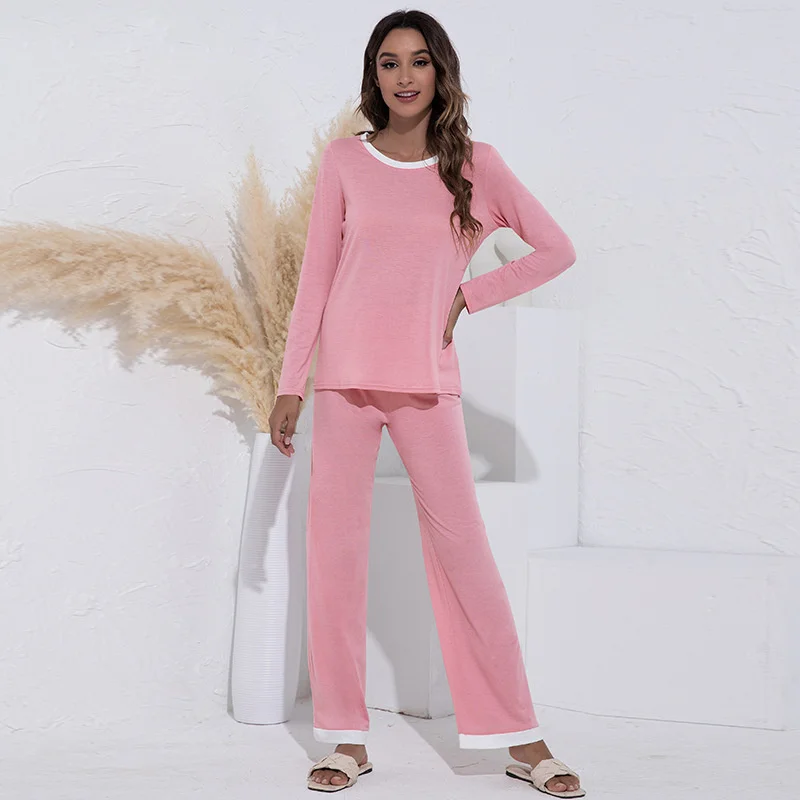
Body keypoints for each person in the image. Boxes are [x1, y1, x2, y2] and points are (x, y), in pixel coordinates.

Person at [268, 9, 584, 797]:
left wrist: (472, 295)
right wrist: (290, 382)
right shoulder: (345, 159)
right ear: (373, 75)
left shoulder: (476, 165)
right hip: (344, 382)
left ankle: (522, 738)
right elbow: (316, 276)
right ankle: (346, 738)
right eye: (388, 62)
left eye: (417, 61)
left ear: (440, 71)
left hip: (425, 382)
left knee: (465, 555)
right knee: (334, 558)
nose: (403, 76)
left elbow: (556, 249)